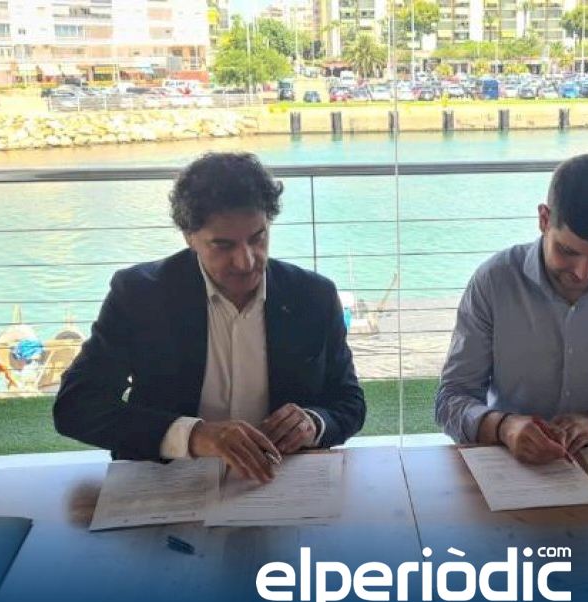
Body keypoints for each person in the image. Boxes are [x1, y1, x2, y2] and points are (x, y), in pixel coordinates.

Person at [54, 152, 365, 482]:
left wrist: (313, 423)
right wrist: (194, 436)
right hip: (170, 482)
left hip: (279, 483)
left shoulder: (313, 295)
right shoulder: (139, 295)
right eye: (223, 245)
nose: (246, 261)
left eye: (258, 238)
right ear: (189, 237)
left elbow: (349, 403)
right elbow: (76, 406)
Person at [435, 154, 588, 465]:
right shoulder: (495, 281)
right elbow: (451, 400)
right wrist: (505, 428)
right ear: (544, 219)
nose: (582, 273)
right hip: (513, 465)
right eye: (568, 251)